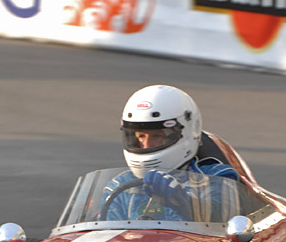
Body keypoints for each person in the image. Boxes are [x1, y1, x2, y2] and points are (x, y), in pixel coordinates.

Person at [103, 85, 245, 221]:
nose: (146, 145)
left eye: (157, 136)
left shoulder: (218, 177)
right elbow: (106, 238)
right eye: (141, 136)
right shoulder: (119, 186)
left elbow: (225, 217)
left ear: (186, 133)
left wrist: (181, 199)